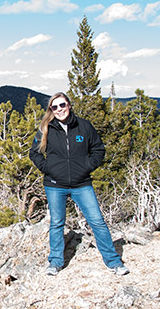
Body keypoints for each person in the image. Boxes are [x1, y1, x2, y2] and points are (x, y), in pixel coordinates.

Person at [29, 92, 129, 276]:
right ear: (51, 109)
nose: (59, 110)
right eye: (55, 107)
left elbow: (98, 149)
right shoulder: (46, 128)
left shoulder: (83, 126)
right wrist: (48, 168)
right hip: (54, 184)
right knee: (57, 223)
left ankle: (113, 262)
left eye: (62, 105)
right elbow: (34, 153)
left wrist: (87, 167)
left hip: (81, 183)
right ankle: (56, 262)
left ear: (69, 105)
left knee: (97, 221)